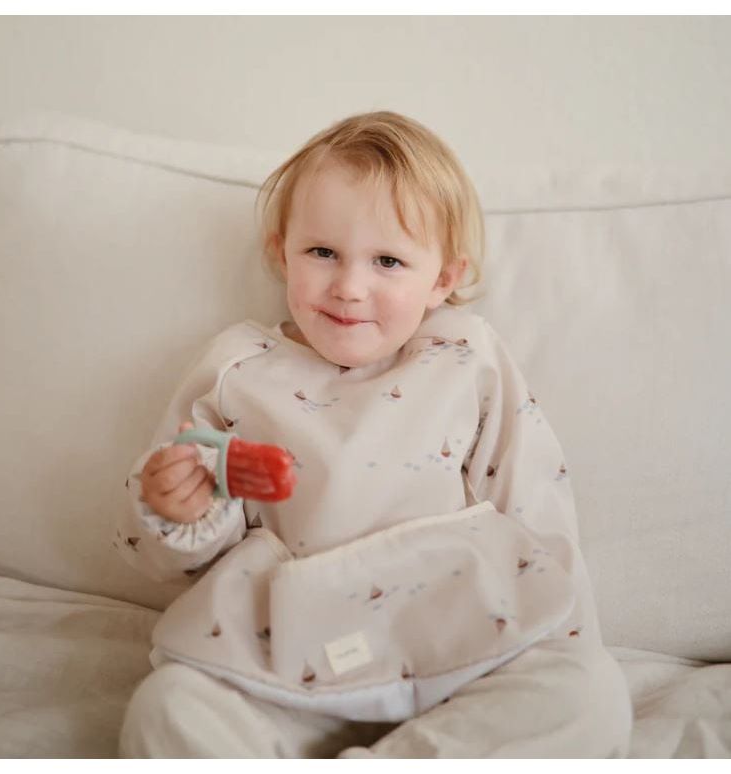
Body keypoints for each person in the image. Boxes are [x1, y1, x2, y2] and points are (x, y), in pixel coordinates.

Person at [115, 111, 632, 758]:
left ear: (442, 279)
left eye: (388, 261)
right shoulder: (236, 369)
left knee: (590, 692)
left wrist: (560, 633)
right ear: (281, 251)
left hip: (460, 652)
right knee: (167, 710)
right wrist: (176, 508)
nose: (349, 287)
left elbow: (533, 500)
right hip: (286, 662)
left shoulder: (464, 355)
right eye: (322, 253)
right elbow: (169, 551)